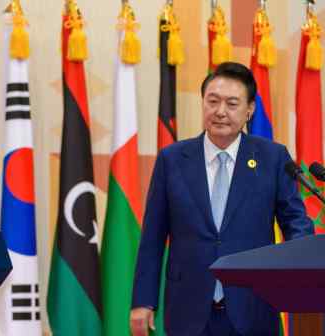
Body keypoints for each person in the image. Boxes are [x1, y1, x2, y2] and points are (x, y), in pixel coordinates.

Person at [130, 62, 314, 336]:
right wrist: (143, 301)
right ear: (203, 102)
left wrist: (303, 276)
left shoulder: (273, 158)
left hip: (254, 306)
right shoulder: (173, 160)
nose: (220, 112)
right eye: (212, 101)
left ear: (250, 109)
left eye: (232, 103)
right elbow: (153, 237)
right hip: (188, 308)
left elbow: (295, 223)